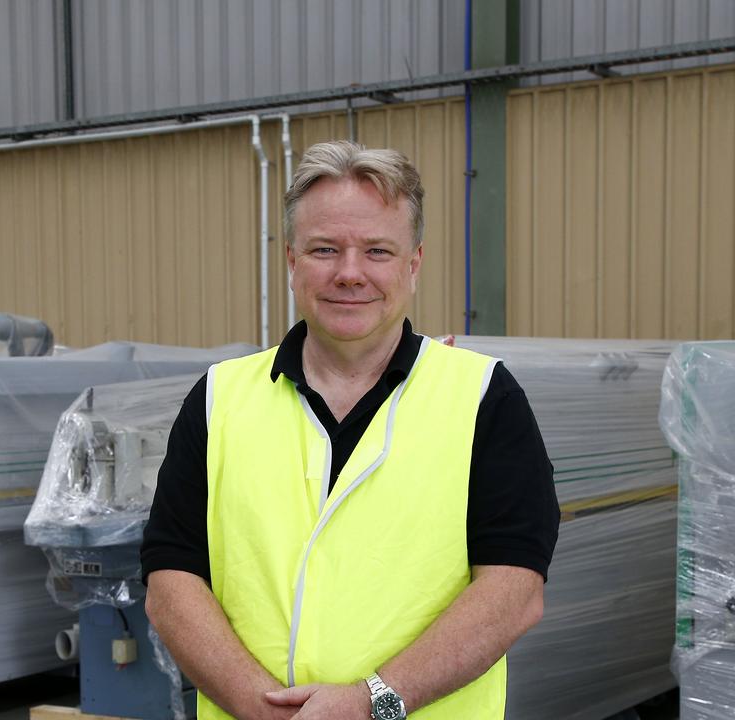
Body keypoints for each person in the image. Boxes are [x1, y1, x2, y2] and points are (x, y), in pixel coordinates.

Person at [140, 141, 560, 720]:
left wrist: (375, 702)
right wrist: (261, 709)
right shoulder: (219, 399)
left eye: (378, 250)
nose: (349, 272)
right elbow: (171, 578)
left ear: (413, 264)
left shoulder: (486, 399)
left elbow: (513, 591)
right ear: (291, 262)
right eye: (325, 249)